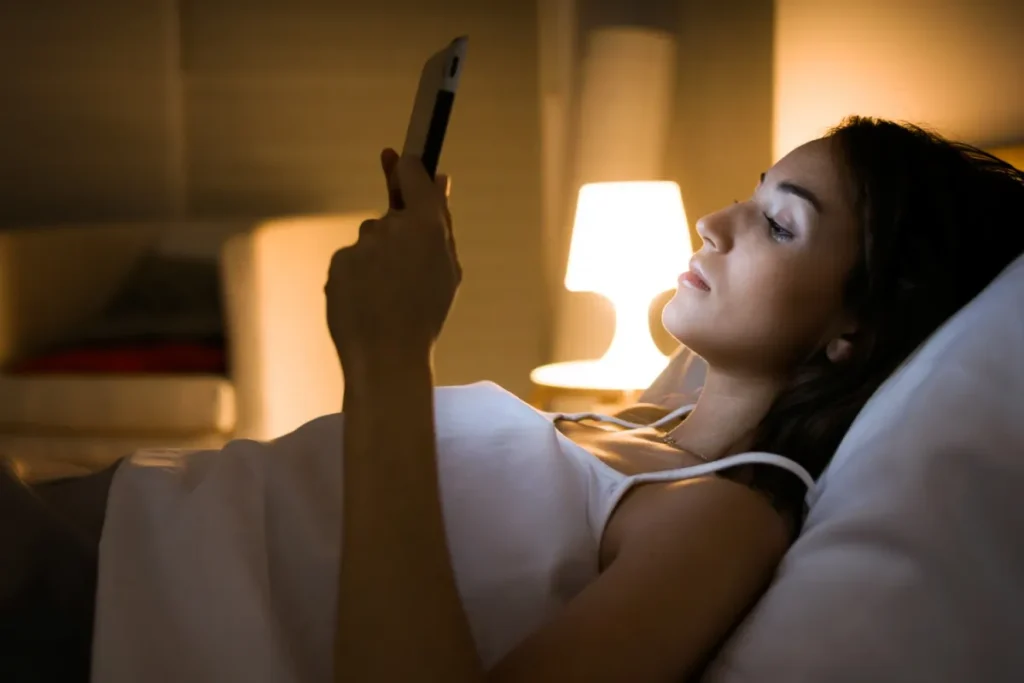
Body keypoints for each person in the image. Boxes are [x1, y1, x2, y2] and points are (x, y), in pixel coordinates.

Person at [2, 116, 1023, 682]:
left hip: (94, 612)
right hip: (105, 520)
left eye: (778, 223)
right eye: (750, 190)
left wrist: (389, 357)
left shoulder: (724, 513)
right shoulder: (648, 417)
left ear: (860, 330)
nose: (714, 222)